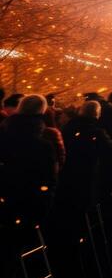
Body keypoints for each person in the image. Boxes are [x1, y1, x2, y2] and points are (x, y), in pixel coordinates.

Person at [0, 94, 57, 228]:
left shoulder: (4, 133)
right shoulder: (45, 143)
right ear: (42, 111)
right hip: (29, 203)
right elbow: (49, 179)